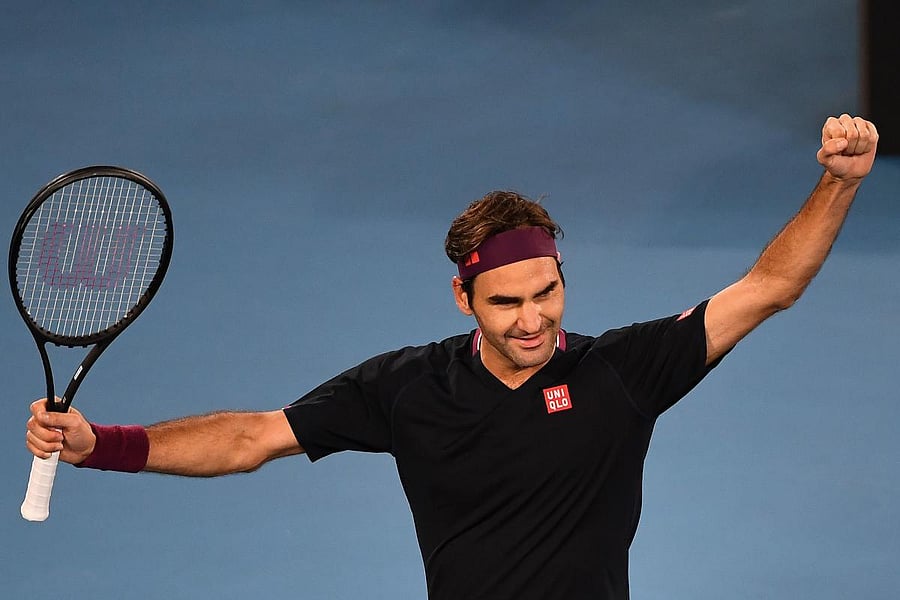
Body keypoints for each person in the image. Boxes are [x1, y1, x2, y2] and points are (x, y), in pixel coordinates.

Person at [26, 114, 878, 599]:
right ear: (463, 300)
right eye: (506, 302)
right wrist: (105, 445)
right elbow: (252, 438)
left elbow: (770, 286)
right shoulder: (404, 388)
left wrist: (839, 181)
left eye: (547, 292)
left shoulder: (621, 370)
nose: (533, 318)